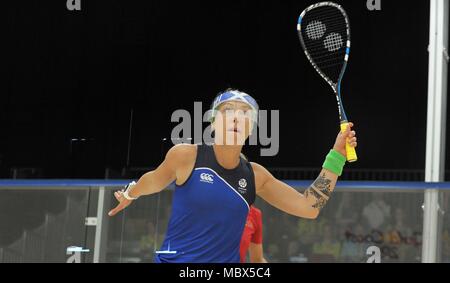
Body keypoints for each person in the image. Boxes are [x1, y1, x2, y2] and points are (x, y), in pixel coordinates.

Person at [108, 89, 358, 263]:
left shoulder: (255, 176)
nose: (237, 116)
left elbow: (309, 206)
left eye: (245, 113)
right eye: (228, 110)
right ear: (214, 123)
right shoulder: (185, 156)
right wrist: (130, 193)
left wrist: (336, 154)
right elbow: (152, 181)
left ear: (251, 129)